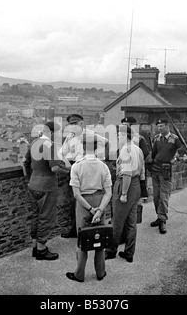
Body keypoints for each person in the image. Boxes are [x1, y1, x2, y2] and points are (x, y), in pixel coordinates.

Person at [66, 133, 112, 282]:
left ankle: (79, 274)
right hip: (100, 200)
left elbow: (76, 194)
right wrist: (99, 210)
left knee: (83, 239)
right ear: (96, 147)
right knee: (100, 237)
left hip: (84, 203)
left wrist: (91, 210)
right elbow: (108, 193)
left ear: (84, 147)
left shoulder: (77, 166)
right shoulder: (103, 166)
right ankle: (100, 272)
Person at [23, 121, 70, 260]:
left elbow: (25, 163)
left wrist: (28, 179)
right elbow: (55, 168)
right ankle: (42, 249)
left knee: (35, 215)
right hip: (47, 186)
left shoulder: (33, 143)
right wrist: (69, 171)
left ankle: (35, 246)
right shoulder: (50, 145)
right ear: (53, 133)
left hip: (33, 184)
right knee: (46, 217)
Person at [59, 113, 108, 238]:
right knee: (75, 199)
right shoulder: (70, 138)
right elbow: (60, 153)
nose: (73, 126)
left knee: (93, 196)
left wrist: (101, 158)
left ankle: (94, 227)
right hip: (77, 168)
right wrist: (66, 162)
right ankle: (76, 229)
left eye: (75, 124)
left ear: (81, 123)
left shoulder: (90, 135)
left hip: (91, 168)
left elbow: (106, 142)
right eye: (71, 124)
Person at [105, 126, 145, 263]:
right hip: (136, 185)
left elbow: (127, 173)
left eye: (119, 136)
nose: (117, 138)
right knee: (131, 222)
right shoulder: (138, 149)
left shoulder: (125, 150)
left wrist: (123, 193)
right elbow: (142, 170)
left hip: (125, 184)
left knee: (117, 221)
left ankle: (111, 250)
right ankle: (129, 252)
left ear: (124, 136)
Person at [150, 119, 185, 234]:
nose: (159, 128)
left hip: (166, 170)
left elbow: (182, 152)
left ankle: (163, 220)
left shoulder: (174, 139)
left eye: (161, 126)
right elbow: (154, 153)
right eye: (158, 126)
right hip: (155, 170)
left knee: (163, 196)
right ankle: (159, 216)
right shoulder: (156, 139)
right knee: (156, 197)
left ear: (167, 127)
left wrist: (175, 159)